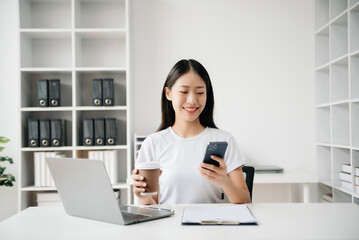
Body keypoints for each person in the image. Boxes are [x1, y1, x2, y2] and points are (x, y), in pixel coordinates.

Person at [132, 59, 250, 205]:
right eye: (184, 91)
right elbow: (151, 208)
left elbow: (245, 200)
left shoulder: (224, 140)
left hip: (211, 225)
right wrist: (143, 196)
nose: (192, 100)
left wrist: (224, 182)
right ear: (168, 93)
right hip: (168, 226)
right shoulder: (153, 143)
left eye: (200, 92)